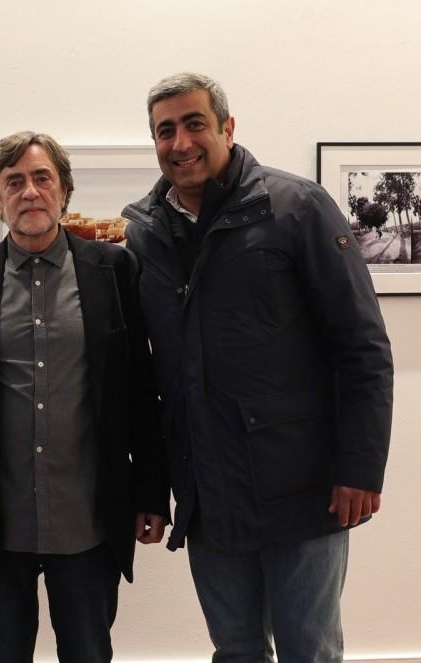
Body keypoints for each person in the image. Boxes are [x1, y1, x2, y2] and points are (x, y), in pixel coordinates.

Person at [122, 72, 394, 662]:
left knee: (309, 651)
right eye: (165, 130)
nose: (180, 143)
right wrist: (153, 487)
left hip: (302, 487)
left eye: (194, 123)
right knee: (236, 650)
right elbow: (147, 380)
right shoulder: (143, 234)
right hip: (208, 492)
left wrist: (360, 466)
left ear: (227, 127)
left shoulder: (298, 208)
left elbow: (363, 348)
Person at [0, 131, 169, 663]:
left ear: (64, 191)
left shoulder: (115, 271)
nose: (30, 192)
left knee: (88, 654)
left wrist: (153, 492)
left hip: (88, 519)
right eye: (13, 182)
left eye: (43, 178)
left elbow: (140, 388)